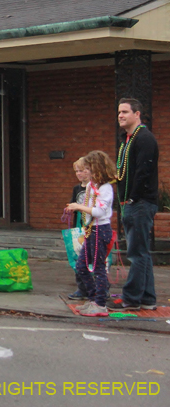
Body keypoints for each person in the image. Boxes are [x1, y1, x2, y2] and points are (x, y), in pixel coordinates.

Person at [110, 98, 160, 311]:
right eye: (119, 112)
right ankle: (147, 298)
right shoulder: (127, 140)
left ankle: (131, 298)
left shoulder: (144, 138)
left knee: (136, 253)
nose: (120, 115)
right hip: (132, 202)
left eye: (125, 112)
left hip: (139, 203)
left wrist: (131, 198)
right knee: (142, 252)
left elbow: (143, 171)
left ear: (137, 114)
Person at [65, 150, 117, 317]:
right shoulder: (91, 186)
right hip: (91, 229)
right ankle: (94, 298)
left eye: (89, 168)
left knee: (98, 267)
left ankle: (100, 303)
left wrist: (78, 207)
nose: (86, 172)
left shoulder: (106, 188)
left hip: (100, 230)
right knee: (81, 266)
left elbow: (100, 211)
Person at [66, 158, 91, 302]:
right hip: (79, 224)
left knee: (94, 258)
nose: (79, 174)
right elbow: (73, 203)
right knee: (78, 255)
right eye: (77, 171)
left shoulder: (95, 187)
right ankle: (82, 288)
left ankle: (98, 287)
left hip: (91, 224)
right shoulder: (77, 188)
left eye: (82, 170)